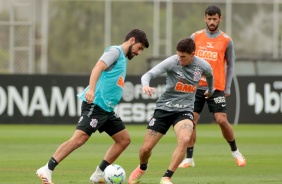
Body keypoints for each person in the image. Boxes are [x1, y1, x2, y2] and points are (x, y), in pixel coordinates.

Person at [36, 29, 149, 184]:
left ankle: (99, 174)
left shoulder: (122, 58)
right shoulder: (115, 52)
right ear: (132, 40)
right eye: (140, 47)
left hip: (107, 110)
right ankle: (47, 169)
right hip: (95, 105)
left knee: (124, 140)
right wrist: (91, 89)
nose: (139, 52)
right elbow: (97, 67)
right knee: (79, 139)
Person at [128, 37, 214, 184]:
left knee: (185, 139)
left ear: (193, 54)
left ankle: (166, 177)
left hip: (185, 110)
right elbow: (147, 75)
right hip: (164, 109)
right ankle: (142, 167)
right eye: (178, 55)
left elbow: (210, 76)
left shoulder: (203, 66)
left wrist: (210, 91)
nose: (179, 59)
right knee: (145, 149)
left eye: (183, 57)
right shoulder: (172, 62)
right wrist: (145, 85)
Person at [178, 5, 246, 169]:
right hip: (196, 87)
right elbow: (185, 59)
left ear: (220, 19)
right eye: (209, 19)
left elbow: (230, 65)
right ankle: (189, 158)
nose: (212, 22)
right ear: (205, 18)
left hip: (216, 88)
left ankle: (236, 152)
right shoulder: (196, 37)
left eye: (215, 19)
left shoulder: (226, 40)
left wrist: (227, 87)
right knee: (191, 121)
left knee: (221, 120)